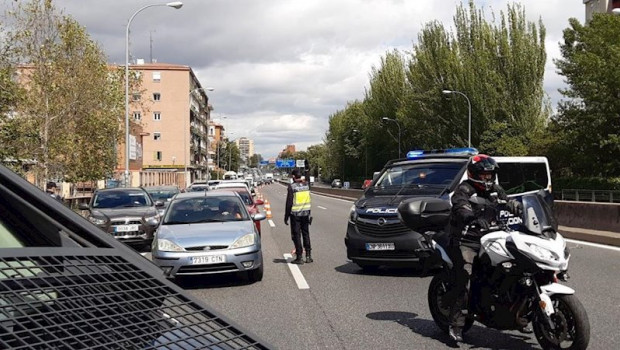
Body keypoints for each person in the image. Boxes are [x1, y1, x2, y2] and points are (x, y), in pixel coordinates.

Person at [447, 154, 523, 343]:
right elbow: (460, 207)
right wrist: (471, 217)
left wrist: (515, 205)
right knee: (465, 277)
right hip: (468, 240)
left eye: (490, 175)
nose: (487, 179)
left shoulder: (496, 190)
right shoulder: (463, 190)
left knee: (517, 263)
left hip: (493, 236)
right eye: (484, 175)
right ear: (474, 174)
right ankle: (456, 325)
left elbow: (506, 201)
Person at [284, 169, 312, 264]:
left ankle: (299, 257)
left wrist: (286, 216)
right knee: (306, 234)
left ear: (293, 177)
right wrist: (307, 170)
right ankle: (308, 256)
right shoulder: (306, 185)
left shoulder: (292, 187)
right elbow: (307, 177)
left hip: (295, 215)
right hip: (306, 214)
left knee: (296, 235)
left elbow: (289, 203)